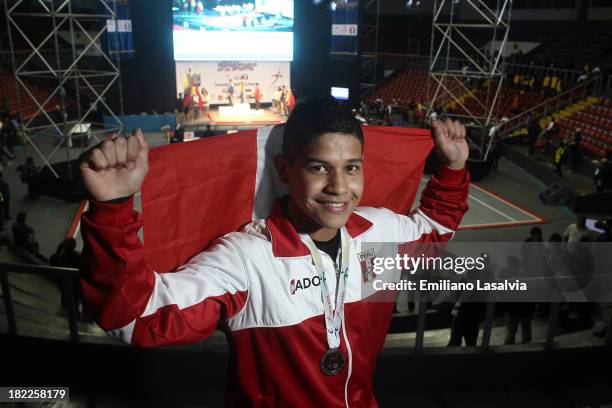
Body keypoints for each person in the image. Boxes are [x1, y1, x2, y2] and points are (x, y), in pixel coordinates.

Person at [78, 95, 469, 406]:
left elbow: (433, 232)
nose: (339, 187)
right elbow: (135, 319)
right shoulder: (247, 259)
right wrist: (113, 209)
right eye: (318, 168)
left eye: (351, 168)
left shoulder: (379, 233)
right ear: (284, 170)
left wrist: (452, 168)